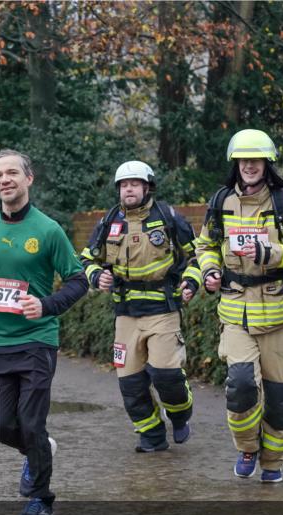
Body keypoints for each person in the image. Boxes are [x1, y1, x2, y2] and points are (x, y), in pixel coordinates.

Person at [0, 149, 89, 515]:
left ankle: (41, 501)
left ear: (28, 179)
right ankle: (38, 455)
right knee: (1, 427)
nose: (5, 180)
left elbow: (78, 280)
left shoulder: (48, 229)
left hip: (36, 341)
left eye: (13, 173)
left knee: (32, 424)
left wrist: (45, 305)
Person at [196, 129, 283, 483]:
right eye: (243, 160)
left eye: (256, 160)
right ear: (236, 164)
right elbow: (205, 247)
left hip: (279, 317)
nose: (249, 165)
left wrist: (271, 253)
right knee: (242, 384)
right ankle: (247, 446)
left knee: (278, 403)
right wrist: (211, 272)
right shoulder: (219, 202)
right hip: (236, 315)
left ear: (266, 164)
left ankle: (273, 464)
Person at [79, 161, 202, 452]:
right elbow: (85, 259)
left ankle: (180, 414)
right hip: (126, 314)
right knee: (130, 382)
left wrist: (192, 282)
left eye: (134, 183)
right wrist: (97, 275)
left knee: (166, 375)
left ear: (147, 187)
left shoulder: (169, 217)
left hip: (163, 309)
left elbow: (198, 256)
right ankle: (152, 435)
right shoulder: (108, 221)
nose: (128, 189)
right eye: (123, 185)